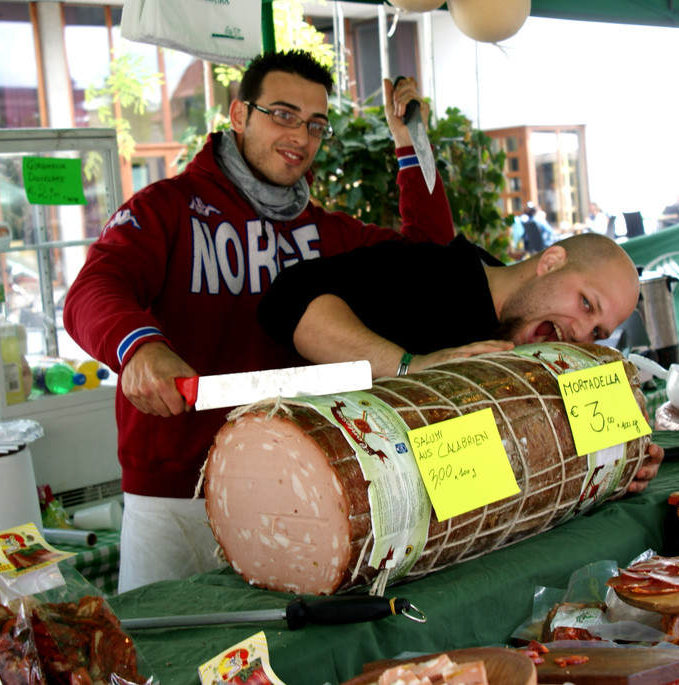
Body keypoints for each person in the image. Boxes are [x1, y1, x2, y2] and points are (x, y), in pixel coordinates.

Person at [62, 50, 455, 593]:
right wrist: (140, 347)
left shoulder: (330, 235)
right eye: (283, 114)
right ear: (239, 115)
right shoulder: (166, 208)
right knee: (163, 668)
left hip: (294, 494)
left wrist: (413, 144)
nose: (302, 135)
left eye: (317, 124)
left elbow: (435, 267)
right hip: (176, 502)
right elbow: (92, 289)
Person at [258, 231, 665, 494]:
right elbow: (285, 301)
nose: (581, 333)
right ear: (551, 261)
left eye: (598, 331)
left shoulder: (548, 351)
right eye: (585, 303)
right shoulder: (432, 273)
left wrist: (625, 454)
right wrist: (410, 368)